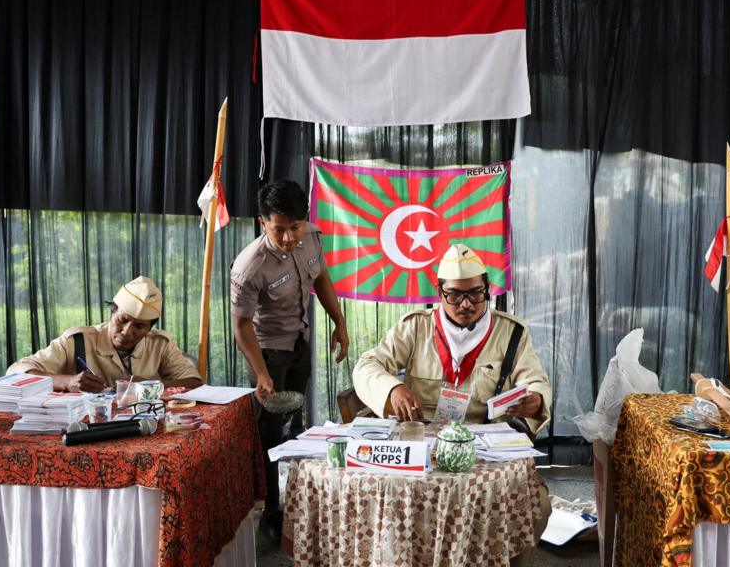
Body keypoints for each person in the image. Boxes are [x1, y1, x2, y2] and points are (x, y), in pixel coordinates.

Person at [352, 243, 551, 566]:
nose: (466, 304)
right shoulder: (415, 327)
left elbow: (535, 379)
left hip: (483, 445)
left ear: (487, 288)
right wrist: (393, 390)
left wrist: (535, 399)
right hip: (420, 443)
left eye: (476, 293)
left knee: (538, 505)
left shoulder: (511, 333)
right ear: (439, 290)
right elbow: (366, 365)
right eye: (454, 295)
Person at [230, 179, 349, 543]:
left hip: (300, 341)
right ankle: (271, 510)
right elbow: (241, 325)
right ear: (262, 222)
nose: (289, 238)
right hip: (267, 351)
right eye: (279, 229)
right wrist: (262, 373)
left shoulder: (312, 236)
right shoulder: (249, 266)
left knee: (296, 425)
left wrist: (339, 323)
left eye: (294, 227)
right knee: (269, 433)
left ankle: (301, 500)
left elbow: (323, 279)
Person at [7, 276, 201, 391]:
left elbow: (194, 382)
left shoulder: (160, 344)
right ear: (112, 312)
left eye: (139, 327)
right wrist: (68, 381)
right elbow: (16, 372)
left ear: (150, 329)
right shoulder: (78, 341)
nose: (127, 332)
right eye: (123, 320)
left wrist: (150, 385)